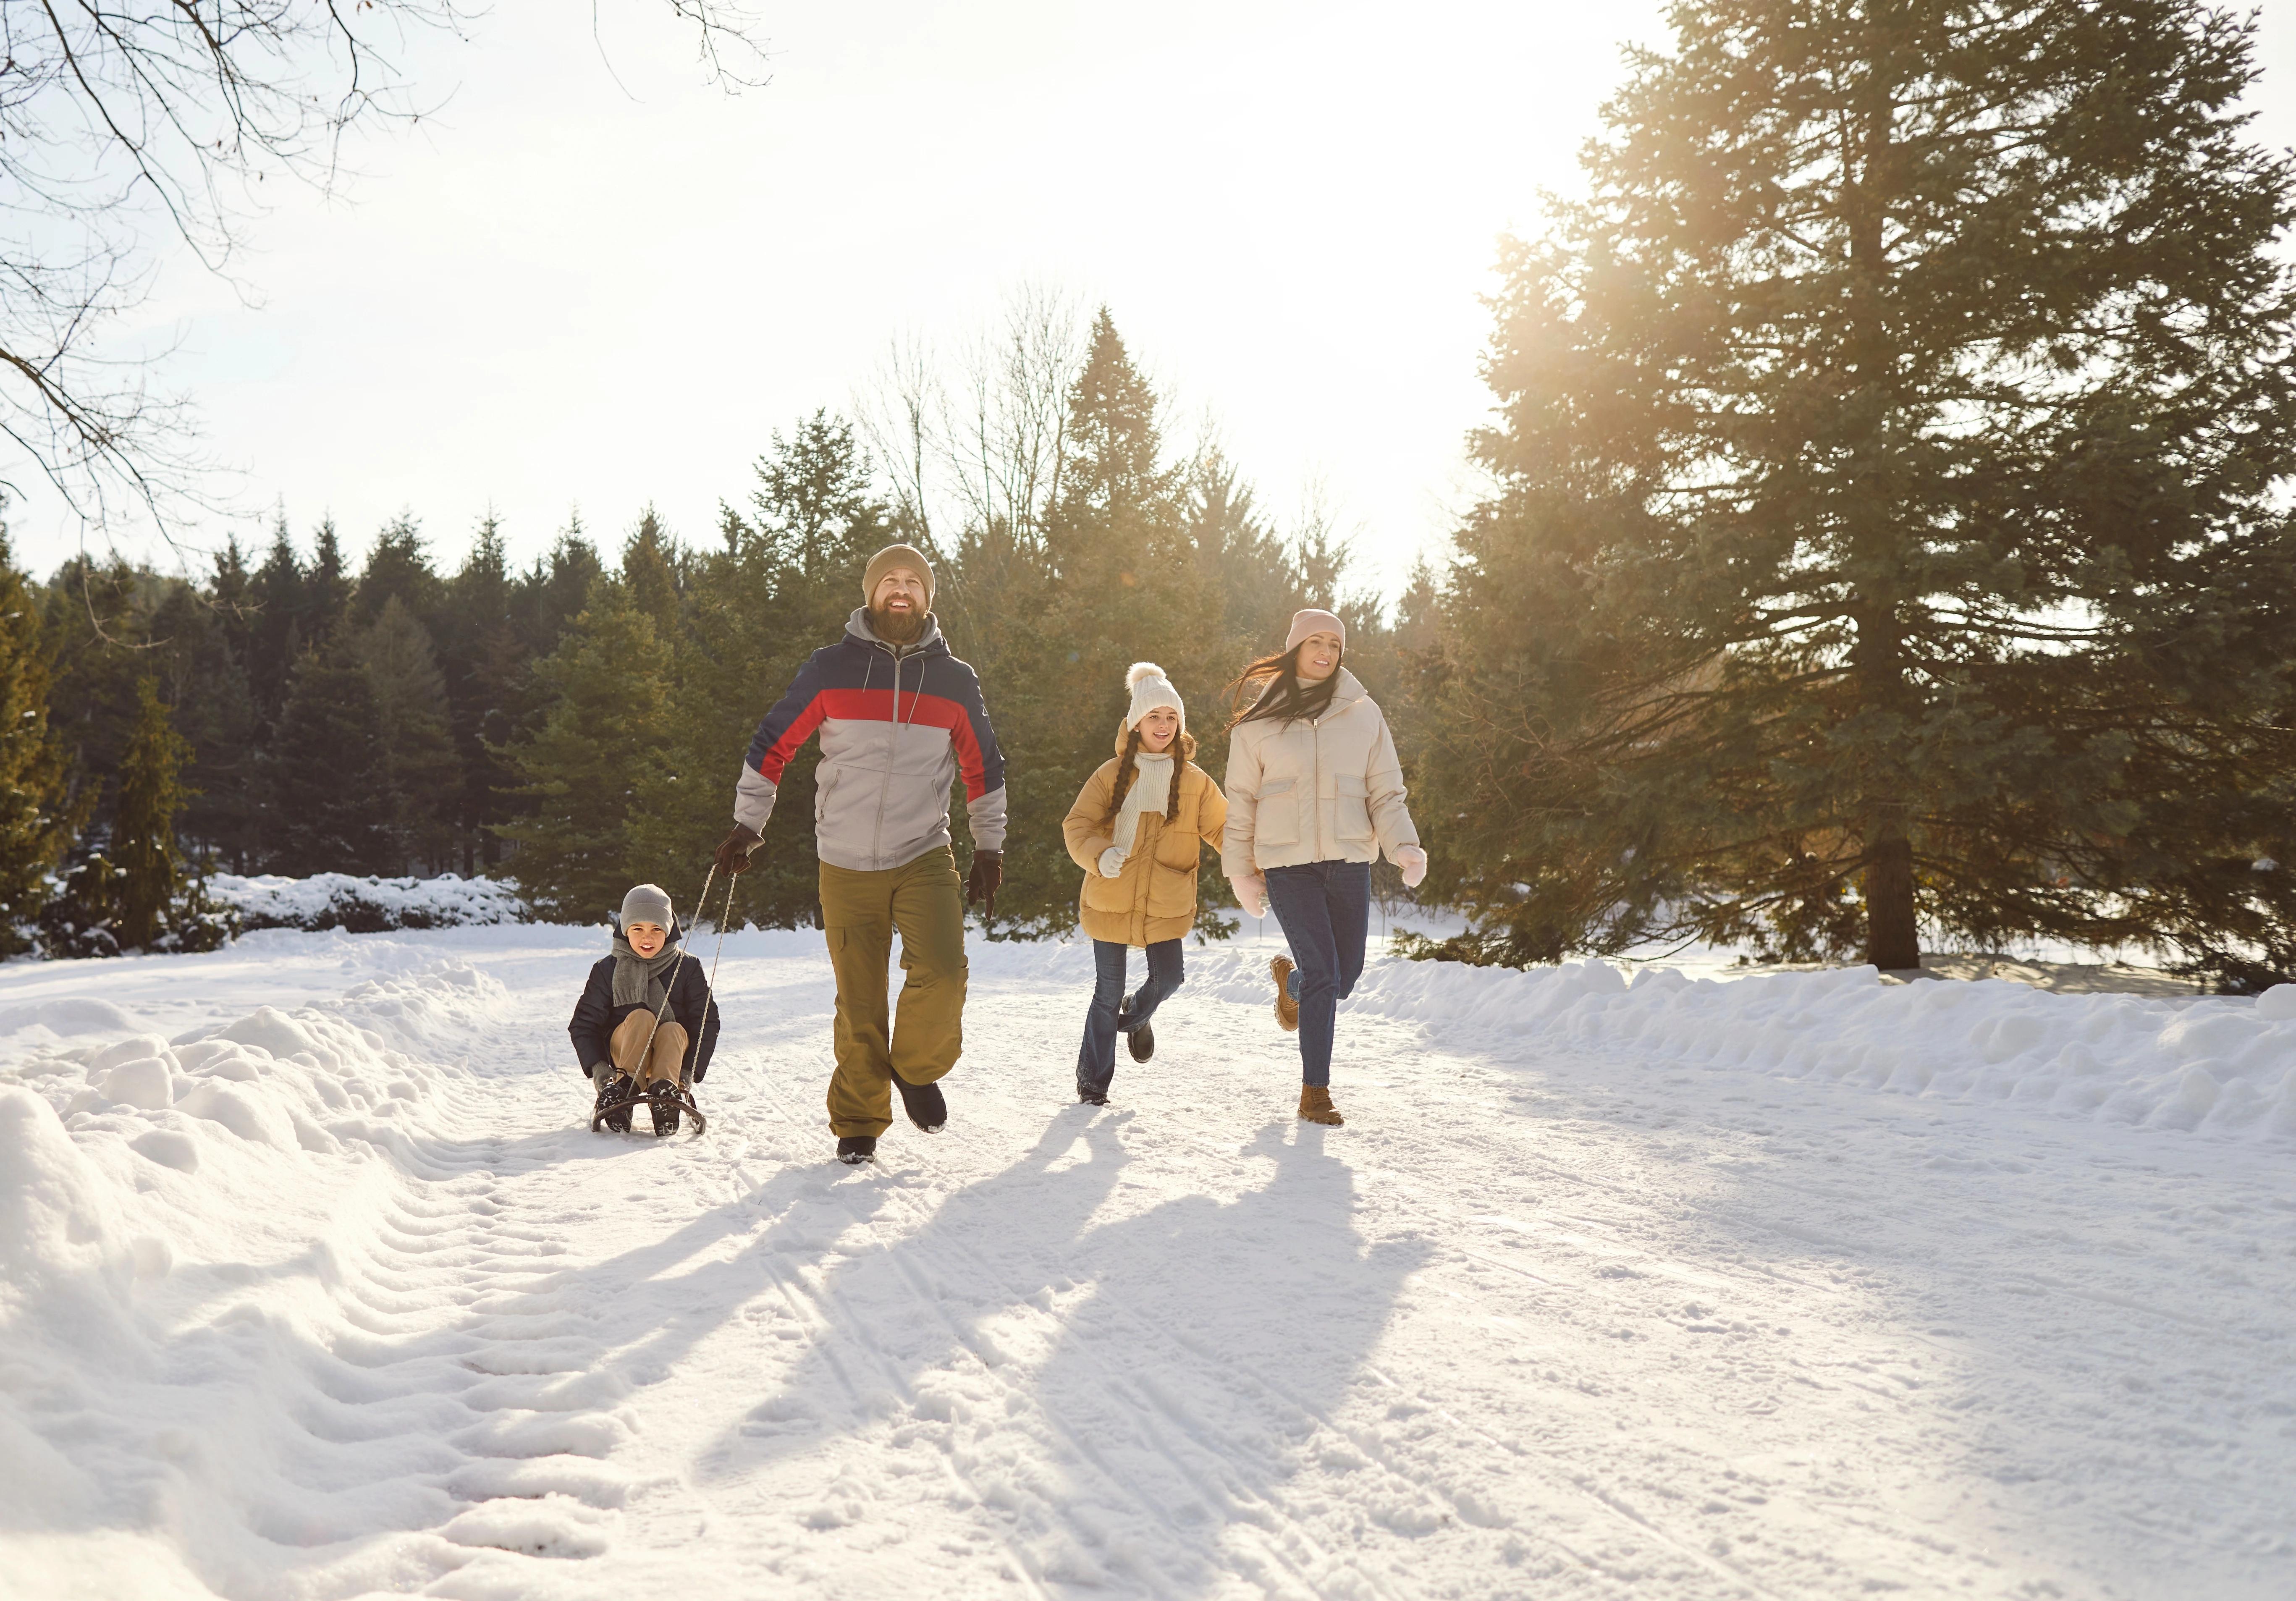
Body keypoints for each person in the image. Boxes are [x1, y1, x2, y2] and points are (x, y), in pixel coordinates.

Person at [713, 544, 1007, 1165]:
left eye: (913, 583)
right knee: (860, 1000)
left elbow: (984, 766)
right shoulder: (830, 669)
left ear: (927, 598)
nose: (901, 591)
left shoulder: (955, 679)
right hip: (844, 860)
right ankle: (859, 1121)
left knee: (946, 971)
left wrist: (989, 847)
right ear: (872, 593)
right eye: (889, 582)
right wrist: (747, 825)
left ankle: (916, 1068)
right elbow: (773, 744)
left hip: (925, 851)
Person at [1221, 609, 1426, 1126]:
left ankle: (1292, 990)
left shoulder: (1364, 714)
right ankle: (1315, 1093)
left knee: (1346, 976)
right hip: (1288, 867)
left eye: (1334, 644)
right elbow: (1241, 800)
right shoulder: (1258, 723)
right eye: (1315, 641)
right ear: (1294, 649)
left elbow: (1385, 792)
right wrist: (1240, 871)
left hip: (1350, 861)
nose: (1325, 651)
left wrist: (1404, 846)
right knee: (1324, 973)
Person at [1059, 663, 1228, 1106]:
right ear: (1136, 723)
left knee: (1170, 977)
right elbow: (1077, 825)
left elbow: (1226, 831)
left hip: (1166, 902)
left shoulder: (1194, 783)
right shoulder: (1110, 776)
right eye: (1154, 717)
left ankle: (1135, 1017)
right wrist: (1099, 855)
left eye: (1171, 718)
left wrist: (1259, 866)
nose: (1163, 725)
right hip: (1110, 896)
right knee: (1106, 992)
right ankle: (1092, 1083)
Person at [569, 883, 722, 1135]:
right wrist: (602, 1073)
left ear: (669, 931)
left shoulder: (688, 967)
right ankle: (624, 1091)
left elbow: (706, 1022)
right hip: (623, 1058)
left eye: (657, 929)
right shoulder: (607, 969)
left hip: (672, 1056)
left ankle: (665, 1094)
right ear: (626, 929)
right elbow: (584, 1024)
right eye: (638, 928)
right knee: (641, 1017)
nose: (647, 937)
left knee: (673, 1028)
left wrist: (687, 1073)